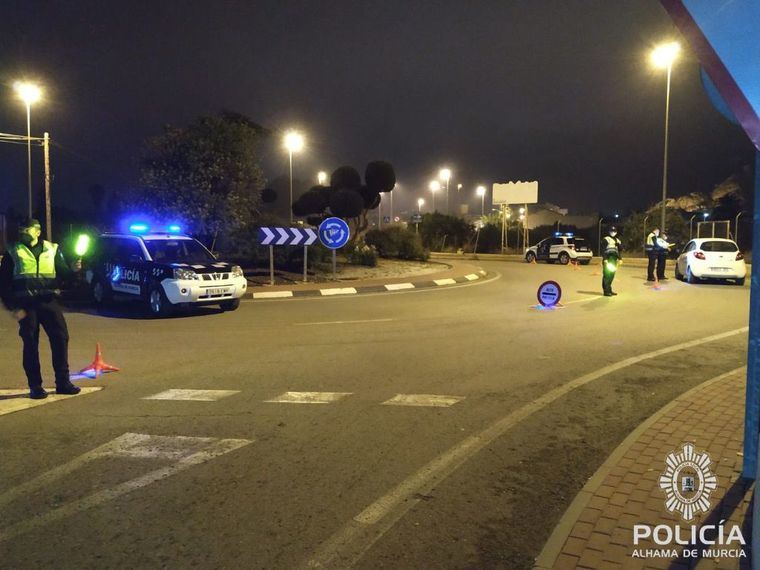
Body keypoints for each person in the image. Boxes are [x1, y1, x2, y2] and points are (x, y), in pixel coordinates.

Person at [0, 218, 82, 399]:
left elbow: (64, 275)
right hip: (26, 305)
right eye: (21, 229)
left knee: (61, 338)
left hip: (48, 302)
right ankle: (35, 387)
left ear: (37, 231)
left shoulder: (52, 249)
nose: (23, 232)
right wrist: (13, 307)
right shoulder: (13, 252)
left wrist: (74, 271)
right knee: (30, 345)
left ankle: (63, 383)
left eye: (26, 229)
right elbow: (3, 284)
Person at [601, 226, 622, 297]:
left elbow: (619, 251)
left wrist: (620, 259)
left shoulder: (618, 240)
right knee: (607, 275)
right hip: (608, 259)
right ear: (609, 231)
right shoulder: (606, 239)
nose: (613, 232)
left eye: (614, 231)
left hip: (614, 259)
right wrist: (605, 259)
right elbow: (603, 250)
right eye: (611, 231)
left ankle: (609, 290)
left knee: (612, 276)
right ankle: (606, 291)